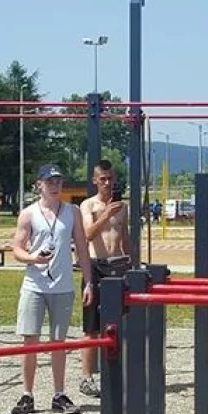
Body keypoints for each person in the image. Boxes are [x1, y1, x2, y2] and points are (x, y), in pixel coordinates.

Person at [10, 164, 93, 414]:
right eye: (50, 182)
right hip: (34, 285)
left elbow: (81, 246)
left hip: (63, 286)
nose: (55, 186)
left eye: (58, 181)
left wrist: (88, 281)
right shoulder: (28, 214)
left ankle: (59, 393)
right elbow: (17, 248)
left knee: (59, 342)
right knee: (30, 339)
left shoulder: (72, 212)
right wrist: (33, 258)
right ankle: (27, 393)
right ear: (39, 185)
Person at [78, 160, 131, 398]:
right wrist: (106, 214)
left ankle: (118, 372)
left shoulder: (123, 207)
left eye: (111, 178)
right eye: (103, 179)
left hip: (118, 264)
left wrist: (132, 262)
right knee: (92, 326)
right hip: (96, 266)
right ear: (95, 181)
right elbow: (88, 234)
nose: (108, 183)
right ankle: (87, 376)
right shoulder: (87, 205)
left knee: (121, 323)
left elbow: (125, 236)